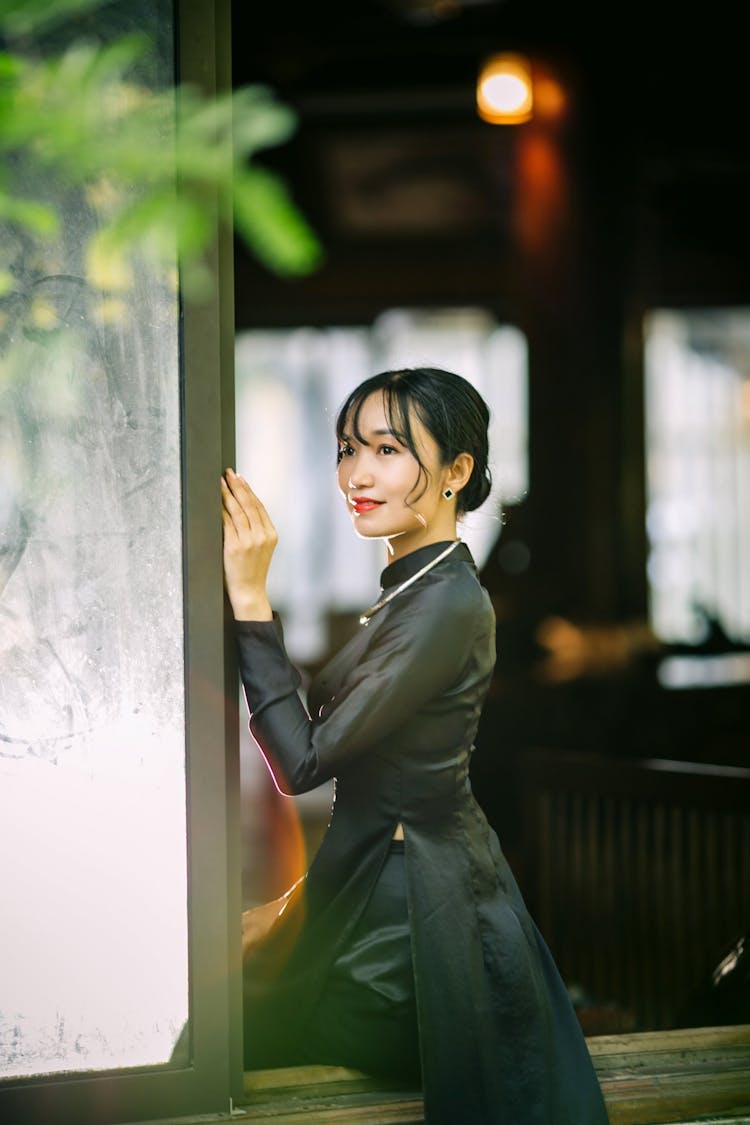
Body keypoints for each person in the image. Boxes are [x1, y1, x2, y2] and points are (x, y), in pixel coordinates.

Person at [221, 367, 610, 1124]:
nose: (357, 473)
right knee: (235, 1004)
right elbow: (377, 800)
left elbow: (303, 761)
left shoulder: (448, 604)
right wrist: (292, 904)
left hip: (426, 924)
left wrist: (248, 597)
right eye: (347, 448)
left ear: (457, 472)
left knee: (241, 1021)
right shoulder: (412, 590)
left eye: (388, 449)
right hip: (379, 892)